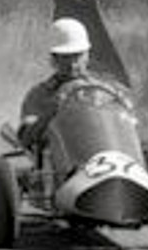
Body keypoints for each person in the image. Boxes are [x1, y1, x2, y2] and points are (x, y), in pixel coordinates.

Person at [17, 17, 94, 153]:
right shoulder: (39, 95)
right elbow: (26, 140)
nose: (72, 64)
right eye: (65, 57)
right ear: (54, 59)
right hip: (60, 165)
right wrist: (51, 111)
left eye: (77, 56)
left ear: (87, 56)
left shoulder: (106, 93)